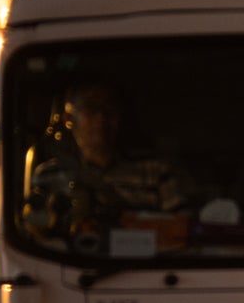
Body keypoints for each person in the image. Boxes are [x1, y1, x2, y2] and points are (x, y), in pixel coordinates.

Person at [22, 81, 195, 254]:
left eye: (109, 110)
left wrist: (131, 224)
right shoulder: (50, 174)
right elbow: (36, 235)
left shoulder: (156, 171)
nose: (101, 118)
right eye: (90, 109)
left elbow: (185, 230)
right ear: (69, 119)